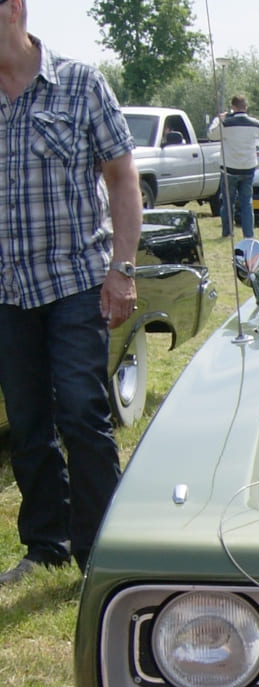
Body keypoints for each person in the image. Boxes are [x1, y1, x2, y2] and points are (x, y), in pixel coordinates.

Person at [0, 0, 140, 585]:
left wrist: (123, 268)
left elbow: (123, 178)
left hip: (75, 280)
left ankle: (102, 550)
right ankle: (47, 545)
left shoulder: (79, 83)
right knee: (28, 421)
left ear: (15, 9)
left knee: (81, 411)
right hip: (8, 289)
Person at [208, 94, 259, 239]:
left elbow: (211, 135)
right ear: (246, 107)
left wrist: (218, 119)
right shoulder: (256, 124)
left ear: (232, 107)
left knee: (227, 202)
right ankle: (249, 234)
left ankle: (228, 232)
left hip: (229, 168)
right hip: (248, 167)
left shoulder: (226, 123)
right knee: (247, 202)